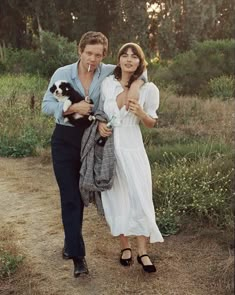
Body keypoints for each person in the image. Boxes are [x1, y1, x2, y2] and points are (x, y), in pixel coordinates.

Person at [41, 32, 145, 278]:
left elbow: (138, 68)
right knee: (70, 198)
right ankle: (78, 258)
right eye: (89, 53)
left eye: (98, 55)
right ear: (80, 51)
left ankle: (70, 242)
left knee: (85, 194)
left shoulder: (108, 72)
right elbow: (47, 105)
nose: (93, 58)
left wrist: (138, 84)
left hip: (92, 142)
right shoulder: (63, 75)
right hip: (65, 141)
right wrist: (71, 107)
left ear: (104, 56)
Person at [99, 43, 164, 273]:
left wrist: (141, 113)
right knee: (118, 197)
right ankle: (125, 246)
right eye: (124, 55)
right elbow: (108, 109)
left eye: (134, 56)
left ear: (140, 62)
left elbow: (151, 123)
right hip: (112, 145)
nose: (128, 59)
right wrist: (131, 86)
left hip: (134, 146)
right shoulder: (108, 83)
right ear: (118, 60)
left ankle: (143, 252)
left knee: (140, 195)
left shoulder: (150, 89)